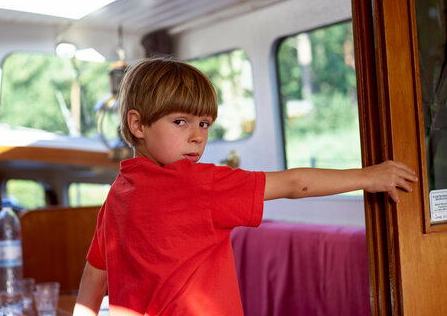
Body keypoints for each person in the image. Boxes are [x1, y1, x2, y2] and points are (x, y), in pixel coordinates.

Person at [73, 58, 417, 316]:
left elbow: (94, 273)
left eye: (205, 124)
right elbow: (296, 183)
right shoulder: (200, 184)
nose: (197, 136)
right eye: (180, 121)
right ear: (137, 124)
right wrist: (369, 177)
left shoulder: (118, 195)